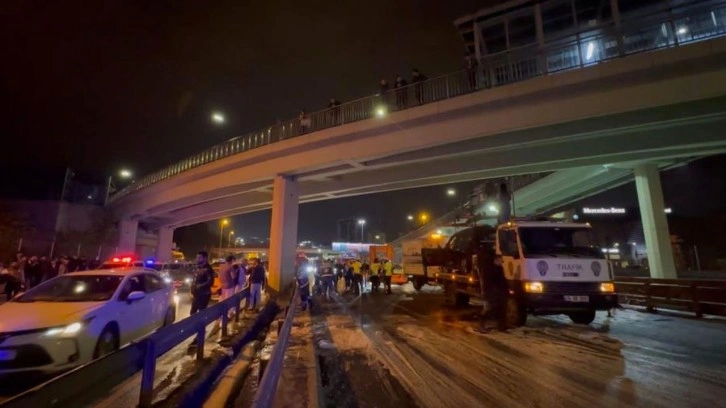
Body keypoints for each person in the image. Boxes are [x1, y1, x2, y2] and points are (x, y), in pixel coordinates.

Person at [478, 252, 508, 332]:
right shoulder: (488, 269)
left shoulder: (500, 269)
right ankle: (482, 324)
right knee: (489, 309)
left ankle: (502, 326)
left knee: (502, 309)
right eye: (501, 260)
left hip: (500, 293)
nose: (502, 262)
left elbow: (502, 281)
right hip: (490, 293)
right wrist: (489, 292)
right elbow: (488, 282)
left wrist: (505, 290)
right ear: (496, 260)